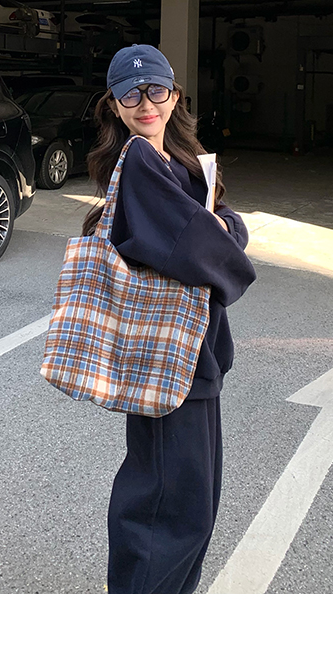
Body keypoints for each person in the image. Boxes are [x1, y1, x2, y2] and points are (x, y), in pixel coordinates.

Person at [85, 44, 255, 592]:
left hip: (193, 355)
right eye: (130, 94)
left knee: (190, 504)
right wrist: (226, 238)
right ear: (114, 105)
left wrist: (224, 230)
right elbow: (195, 243)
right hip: (169, 359)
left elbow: (220, 221)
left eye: (155, 90)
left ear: (175, 96)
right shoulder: (137, 161)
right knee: (168, 509)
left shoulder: (177, 161)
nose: (145, 104)